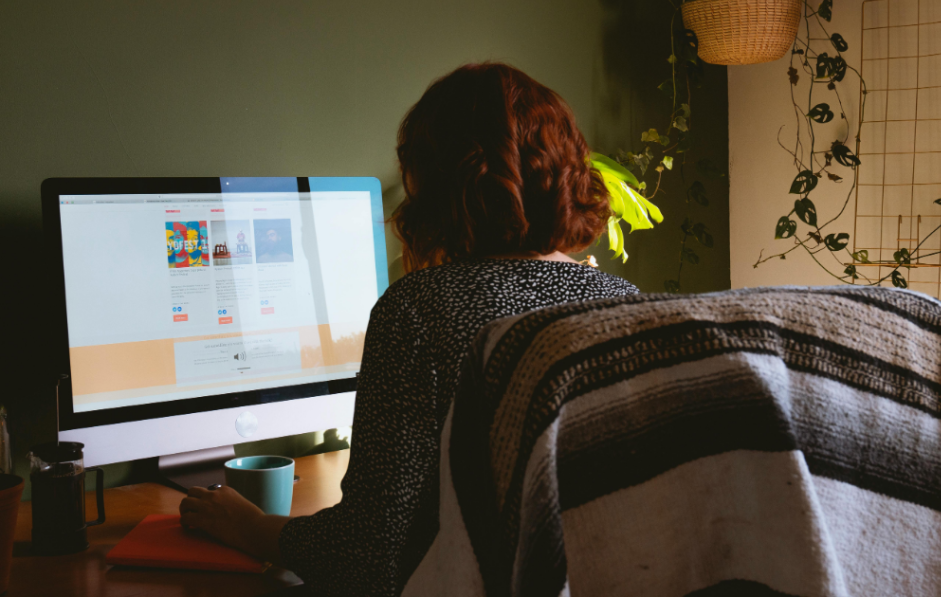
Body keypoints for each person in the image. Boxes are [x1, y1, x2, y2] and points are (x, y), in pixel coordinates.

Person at [179, 63, 639, 596]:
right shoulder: (621, 301)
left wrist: (249, 527)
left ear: (437, 182)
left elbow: (370, 554)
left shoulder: (419, 309)